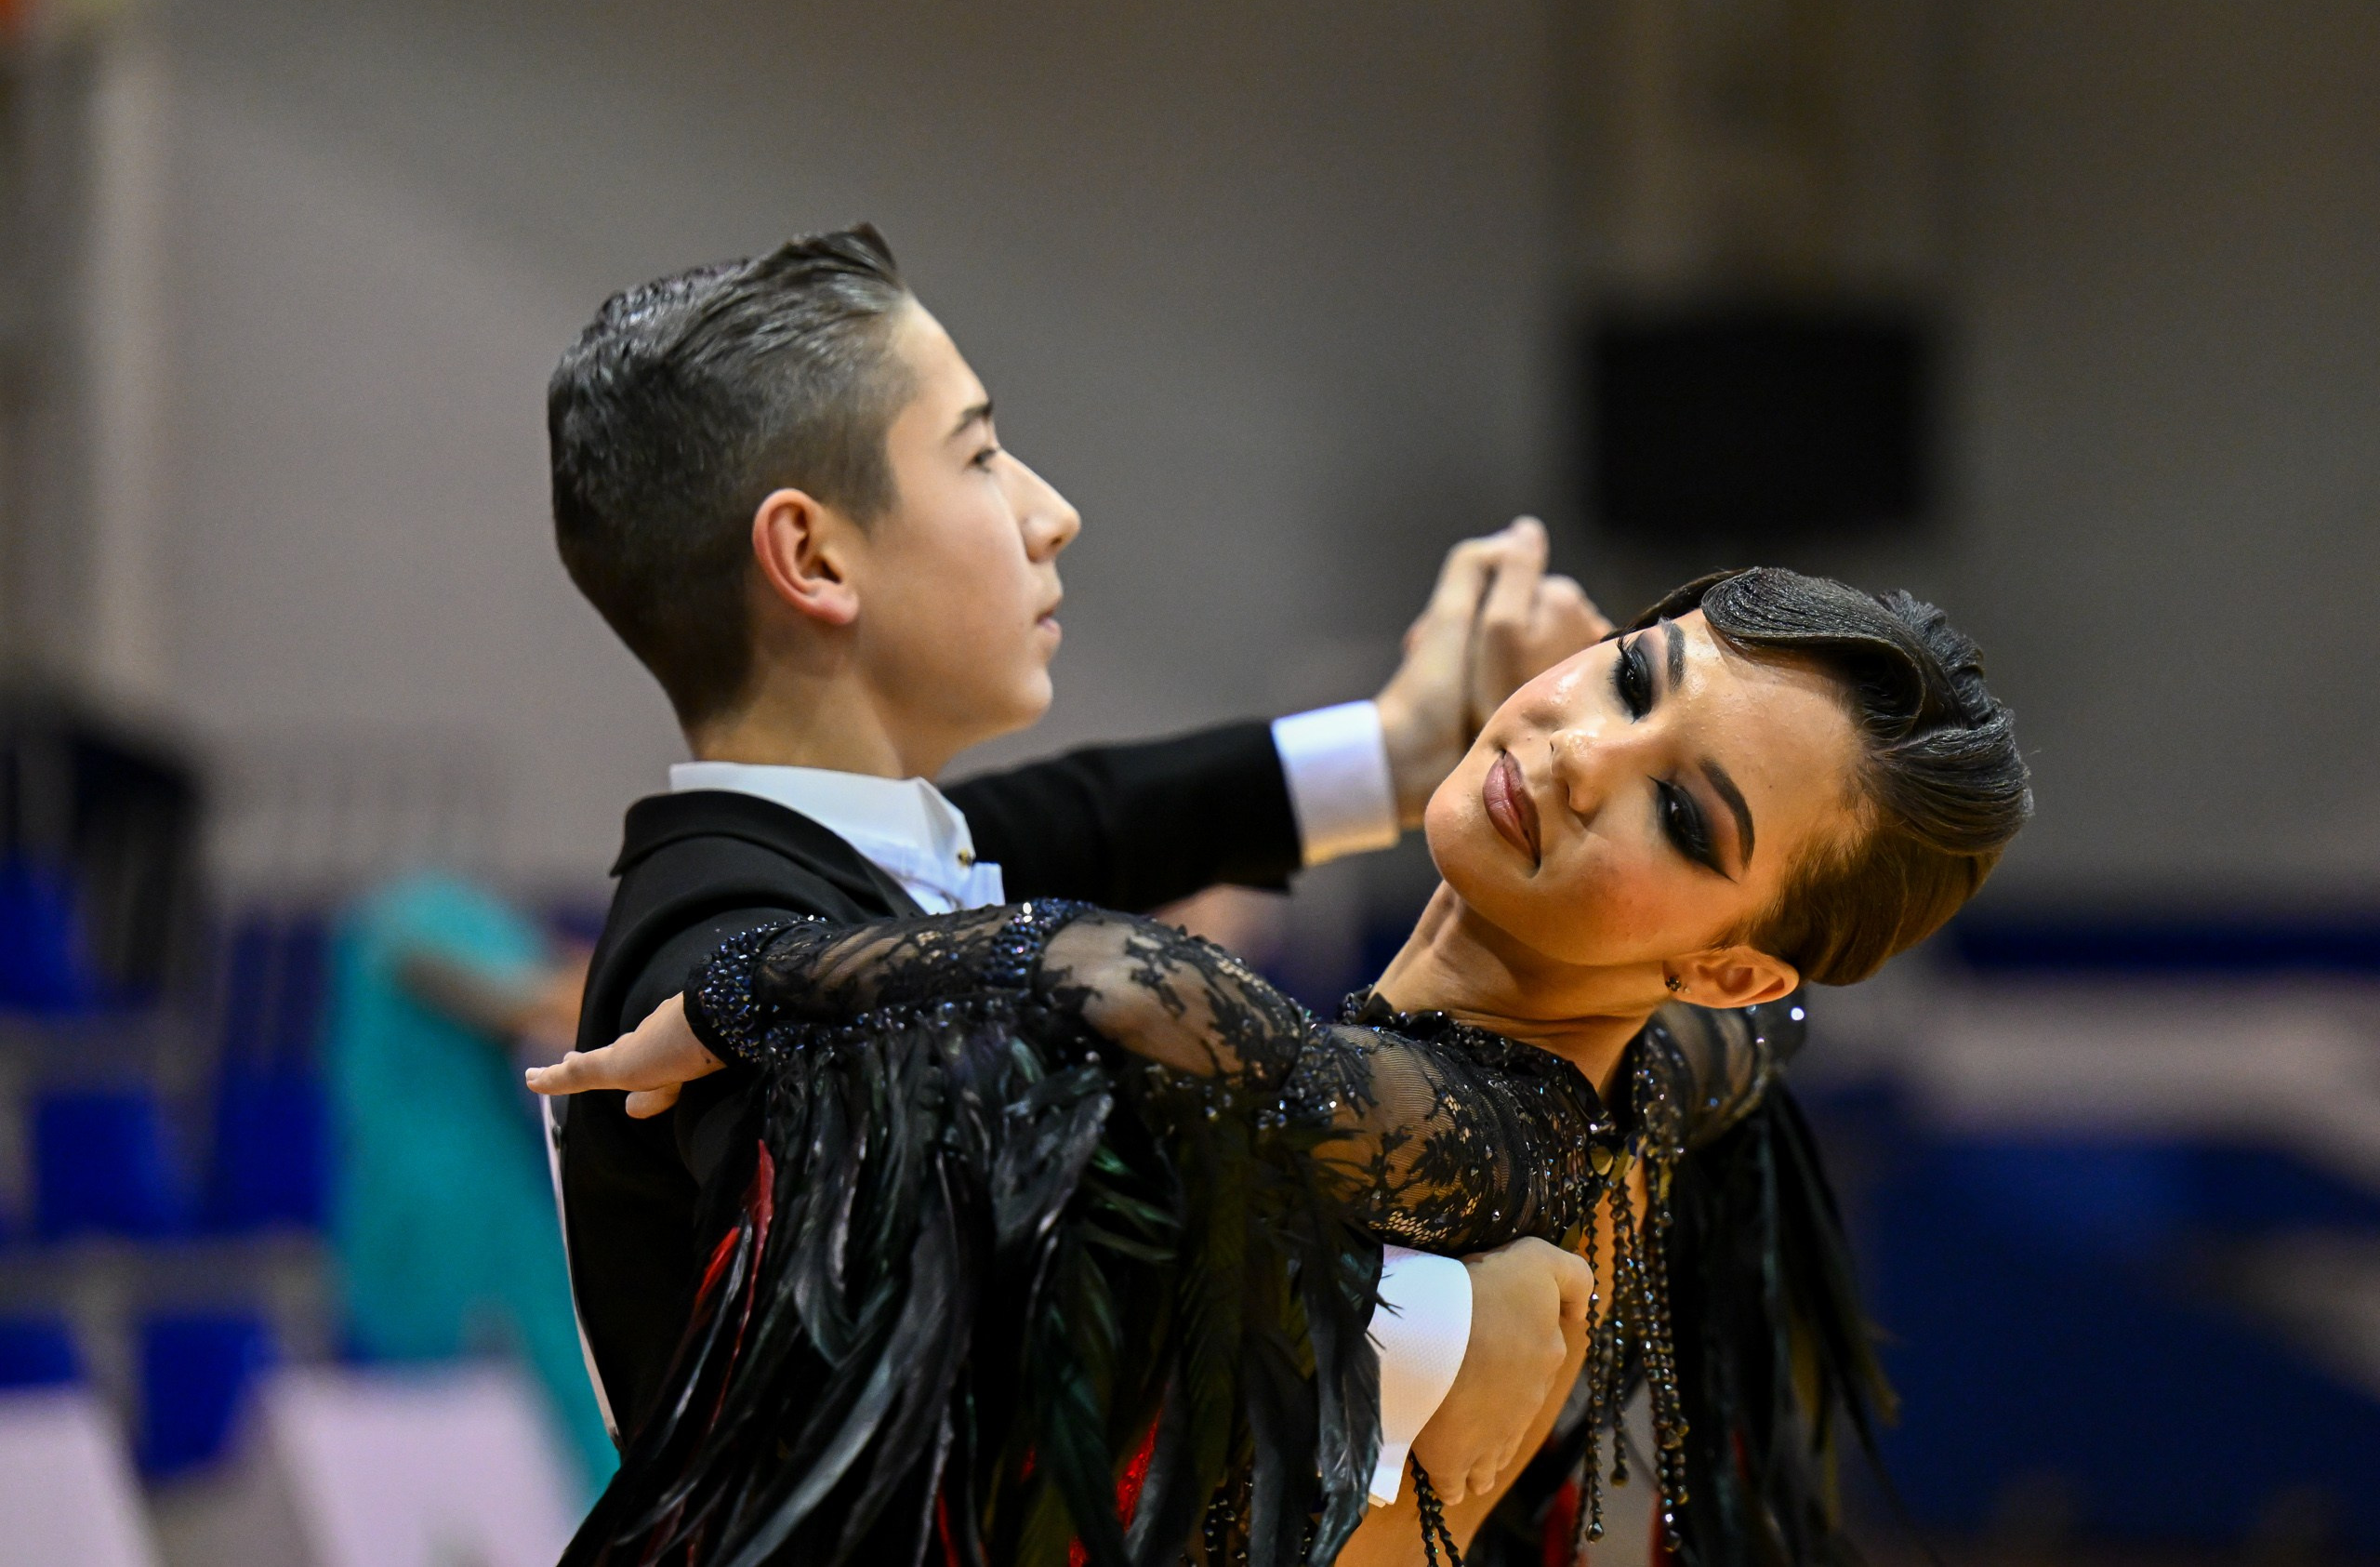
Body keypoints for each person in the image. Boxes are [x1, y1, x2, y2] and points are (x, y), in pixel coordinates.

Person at [531, 566, 2033, 1567]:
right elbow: (1763, 1034)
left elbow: (1136, 987)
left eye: (1685, 818)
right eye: (1630, 677)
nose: (1578, 751)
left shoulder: (1480, 1147)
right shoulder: (1670, 1073)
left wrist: (747, 987)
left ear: (1730, 952)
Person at [543, 226, 1608, 1534]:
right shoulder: (718, 936)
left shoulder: (824, 857)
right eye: (981, 454)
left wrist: (1404, 748)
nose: (1052, 509)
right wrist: (1423, 1322)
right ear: (815, 560)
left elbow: (1096, 816)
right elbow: (987, 1302)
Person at [325, 872, 614, 1494]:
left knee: (566, 1405)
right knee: (440, 1427)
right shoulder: (405, 929)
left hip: (481, 1198)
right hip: (432, 1209)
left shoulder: (466, 923)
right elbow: (538, 1002)